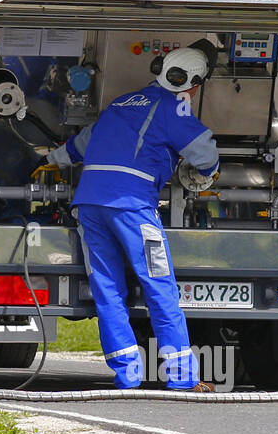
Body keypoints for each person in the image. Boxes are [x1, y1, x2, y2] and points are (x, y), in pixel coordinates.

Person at [46, 47, 219, 391]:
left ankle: (127, 374)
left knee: (107, 288)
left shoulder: (123, 102)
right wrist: (210, 174)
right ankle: (182, 377)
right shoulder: (176, 106)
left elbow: (77, 147)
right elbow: (205, 154)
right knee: (159, 285)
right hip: (133, 206)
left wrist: (47, 158)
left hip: (90, 205)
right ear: (194, 83)